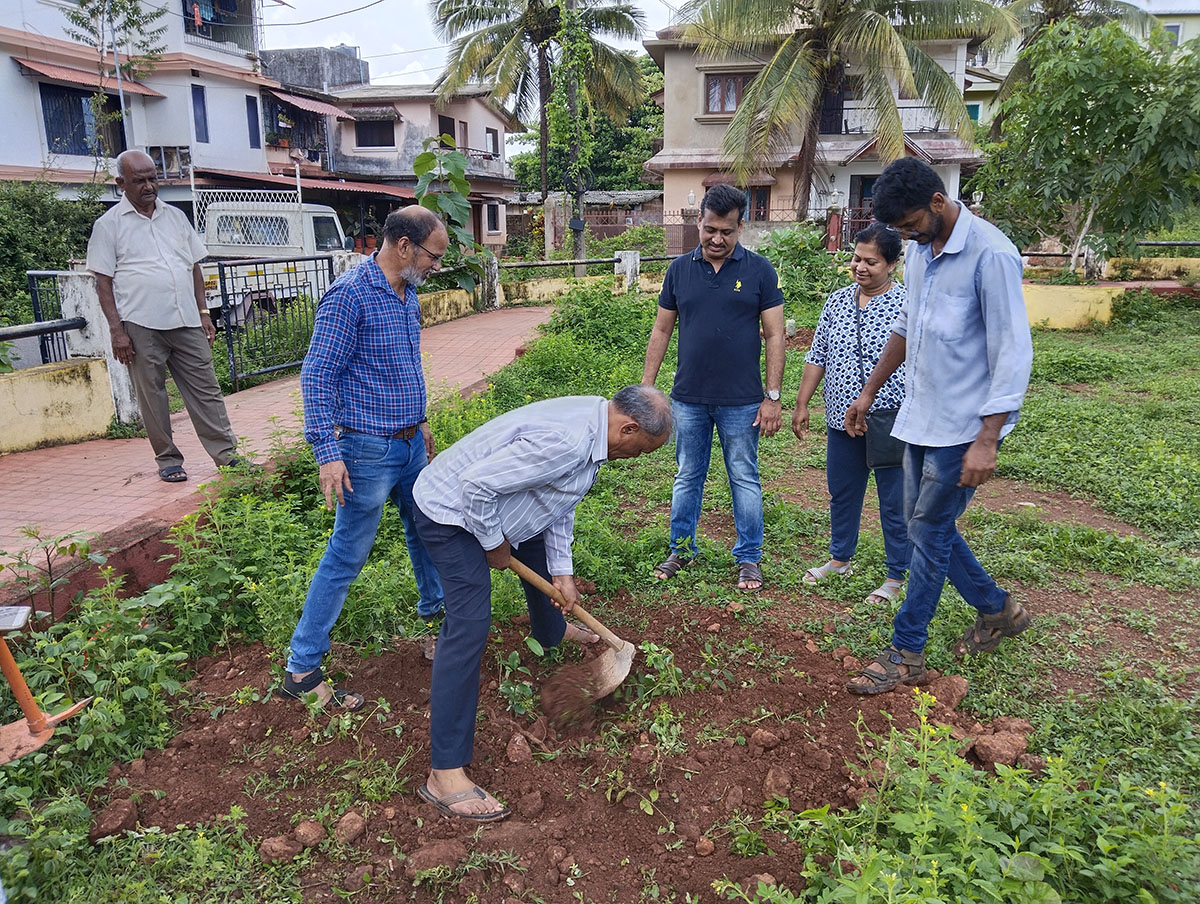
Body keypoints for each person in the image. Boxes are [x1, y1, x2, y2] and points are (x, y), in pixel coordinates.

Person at [411, 385, 672, 820]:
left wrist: (563, 574)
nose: (637, 459)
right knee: (470, 622)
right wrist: (494, 544)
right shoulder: (568, 442)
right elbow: (476, 488)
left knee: (534, 547)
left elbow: (558, 500)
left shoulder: (594, 424)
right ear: (628, 427)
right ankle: (445, 774)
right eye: (642, 451)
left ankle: (552, 631)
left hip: (498, 506)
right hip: (450, 512)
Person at [844, 157, 1034, 695]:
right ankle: (999, 610)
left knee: (925, 534)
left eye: (909, 226)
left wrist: (988, 439)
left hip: (965, 428)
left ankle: (907, 651)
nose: (907, 238)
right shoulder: (922, 254)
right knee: (930, 528)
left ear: (937, 202)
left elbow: (1012, 353)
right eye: (899, 232)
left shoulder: (990, 255)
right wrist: (869, 390)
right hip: (921, 419)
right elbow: (906, 326)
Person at [278, 206, 447, 712]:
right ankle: (302, 667)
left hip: (408, 442)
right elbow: (317, 376)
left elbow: (402, 366)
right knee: (348, 553)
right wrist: (328, 453)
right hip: (366, 450)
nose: (437, 265)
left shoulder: (407, 293)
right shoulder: (349, 295)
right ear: (403, 246)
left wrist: (419, 421)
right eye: (433, 255)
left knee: (428, 529)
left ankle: (436, 623)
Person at [642, 183, 786, 591]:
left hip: (742, 401)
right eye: (709, 230)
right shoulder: (679, 270)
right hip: (688, 398)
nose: (717, 239)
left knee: (744, 476)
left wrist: (772, 397)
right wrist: (647, 388)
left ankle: (749, 557)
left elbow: (775, 337)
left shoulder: (759, 271)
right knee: (687, 474)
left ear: (741, 227)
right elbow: (661, 329)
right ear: (699, 223)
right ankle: (681, 548)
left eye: (726, 231)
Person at [86, 149, 241, 482]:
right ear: (120, 183)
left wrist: (204, 313)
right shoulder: (108, 225)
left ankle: (227, 456)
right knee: (152, 395)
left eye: (152, 178)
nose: (148, 186)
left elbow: (194, 268)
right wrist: (117, 331)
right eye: (139, 180)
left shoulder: (175, 217)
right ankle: (168, 459)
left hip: (186, 319)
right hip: (141, 324)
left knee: (207, 389)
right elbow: (103, 282)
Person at [793, 222, 911, 605]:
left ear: (892, 264)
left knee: (894, 499)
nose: (860, 267)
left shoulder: (905, 304)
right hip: (841, 418)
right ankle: (840, 559)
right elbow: (818, 355)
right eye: (856, 258)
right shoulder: (838, 301)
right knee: (842, 492)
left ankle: (897, 575)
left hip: (889, 418)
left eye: (871, 262)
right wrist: (802, 402)